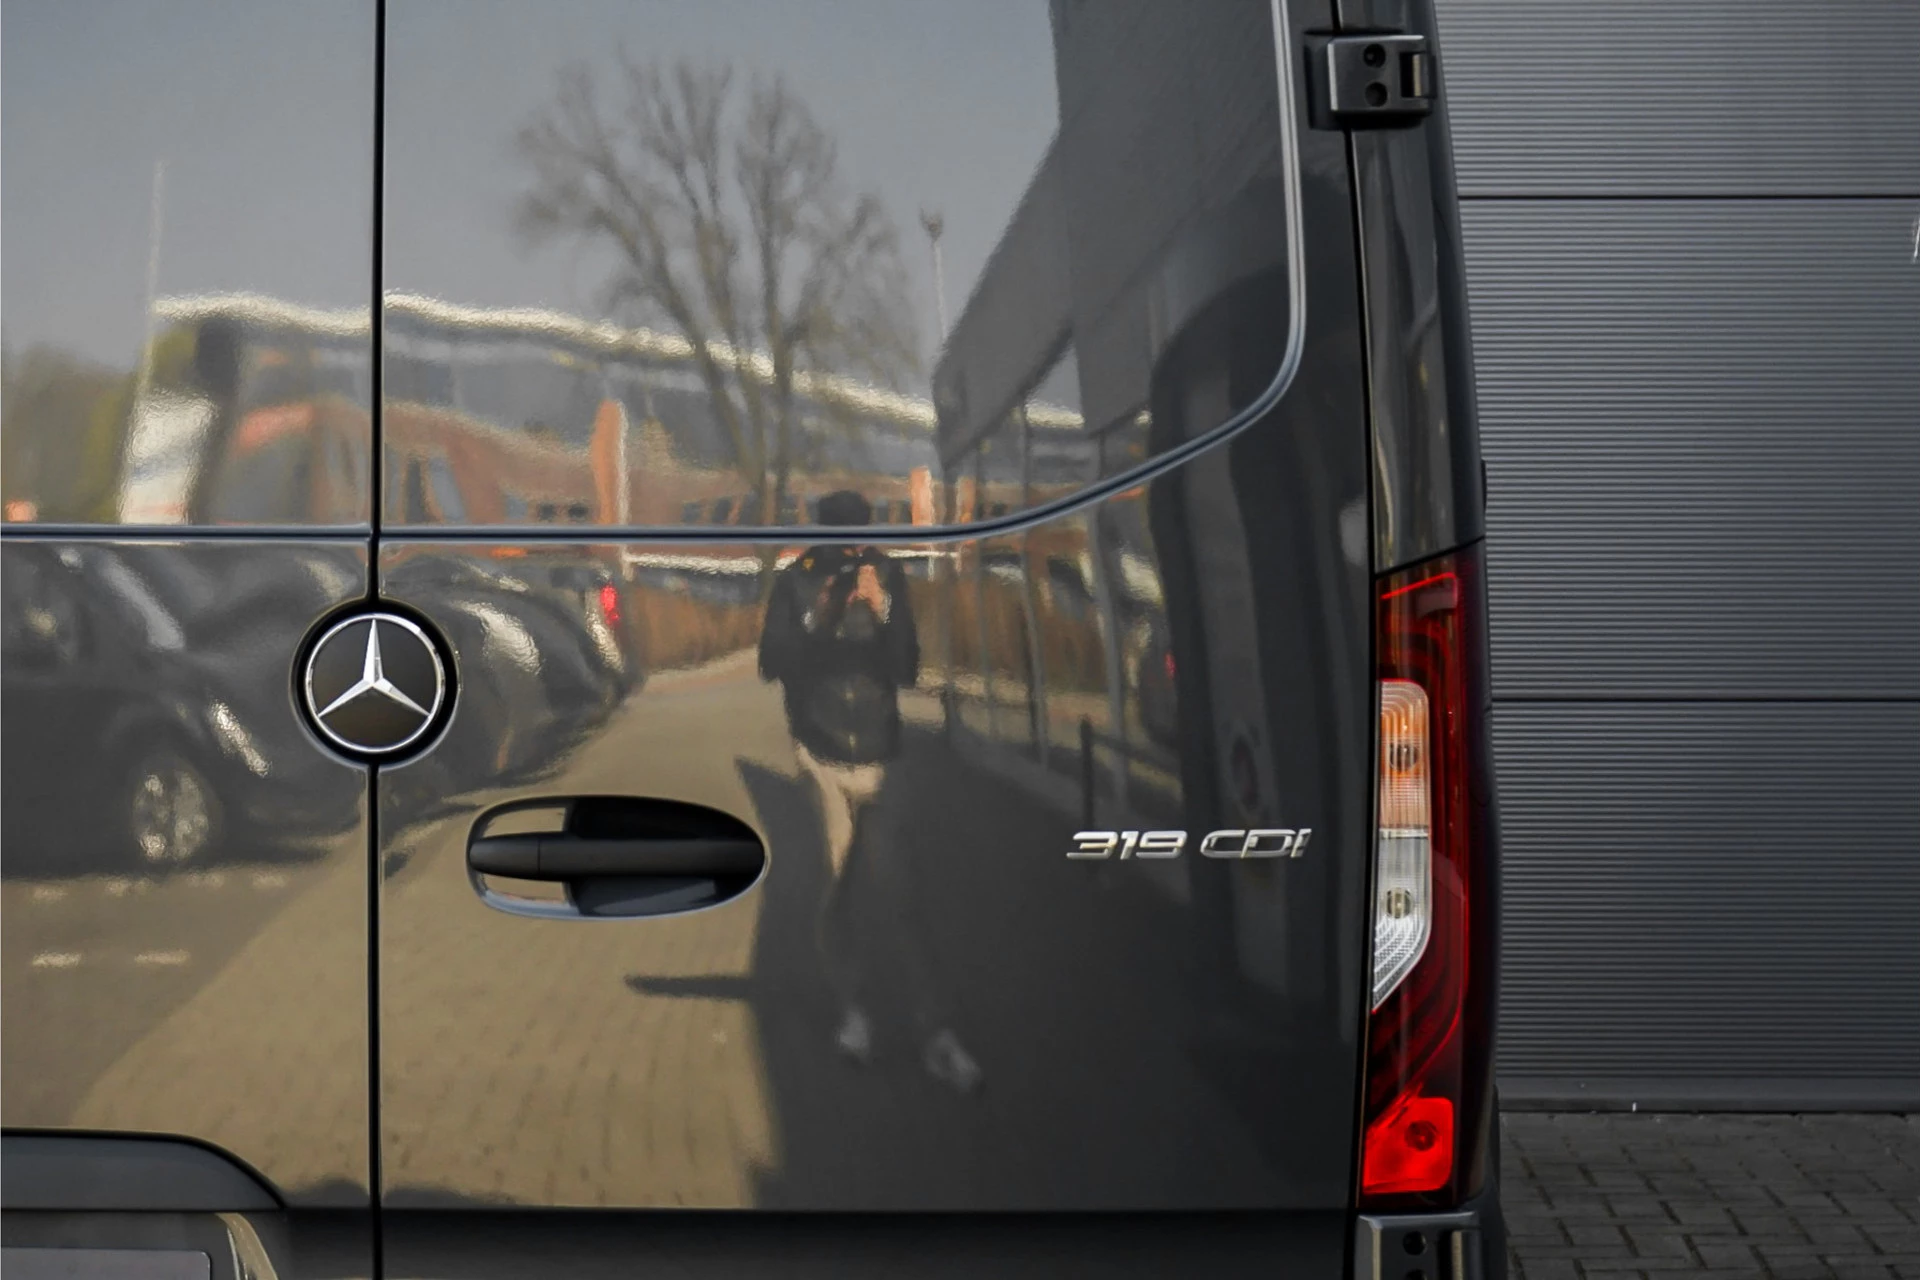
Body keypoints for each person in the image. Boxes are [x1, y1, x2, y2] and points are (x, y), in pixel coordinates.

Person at [757, 489, 981, 1093]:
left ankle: (936, 1031)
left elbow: (906, 667)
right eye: (845, 539)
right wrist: (818, 616)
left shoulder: (888, 575)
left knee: (901, 891)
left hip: (883, 754)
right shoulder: (796, 581)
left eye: (862, 539)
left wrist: (882, 612)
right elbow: (772, 662)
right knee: (836, 889)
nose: (856, 552)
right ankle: (854, 1011)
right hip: (822, 752)